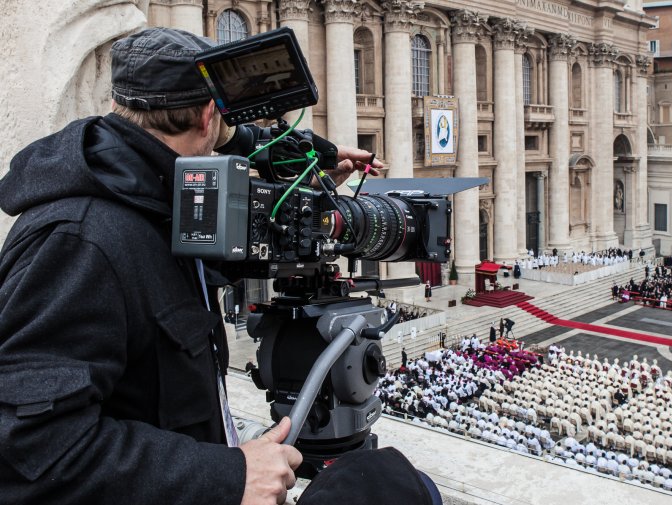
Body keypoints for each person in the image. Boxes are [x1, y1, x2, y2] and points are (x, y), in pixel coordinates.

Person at [0, 27, 442, 505]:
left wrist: (317, 169)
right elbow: (26, 449)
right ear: (210, 114)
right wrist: (224, 477)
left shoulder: (151, 199)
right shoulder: (81, 239)